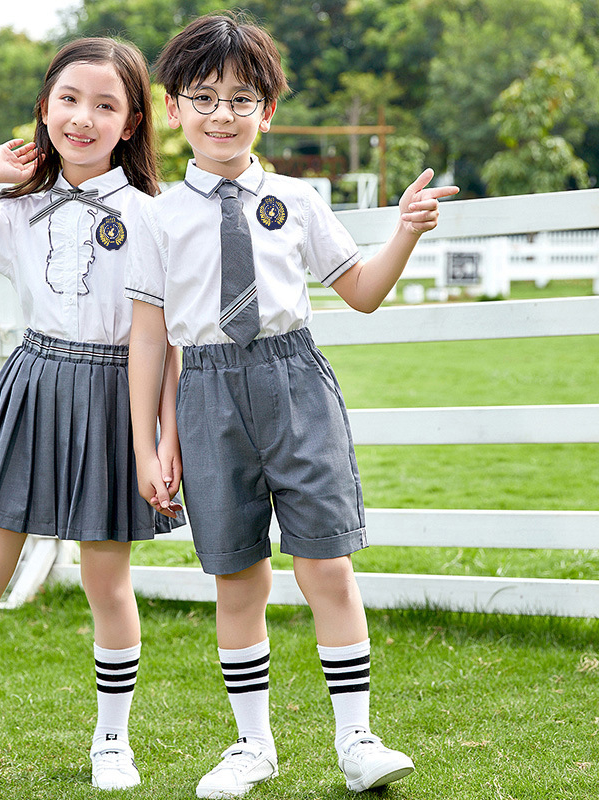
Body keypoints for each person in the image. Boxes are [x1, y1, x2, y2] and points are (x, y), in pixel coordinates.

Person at [126, 12, 459, 797]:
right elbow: (150, 340)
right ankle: (252, 746)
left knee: (328, 566)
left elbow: (364, 294)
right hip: (205, 392)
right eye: (203, 97)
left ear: (266, 110)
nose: (222, 115)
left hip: (295, 384)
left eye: (242, 99)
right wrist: (150, 442)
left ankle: (357, 740)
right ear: (174, 108)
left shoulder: (299, 199)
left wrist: (406, 233)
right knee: (237, 576)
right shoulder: (155, 216)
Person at [0, 37, 184, 791]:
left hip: (115, 397)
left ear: (132, 123)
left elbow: (165, 344)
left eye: (105, 105)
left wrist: (160, 443)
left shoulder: (154, 216)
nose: (83, 118)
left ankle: (111, 741)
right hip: (33, 388)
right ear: (44, 108)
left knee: (108, 584)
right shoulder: (17, 207)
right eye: (69, 99)